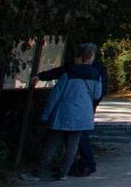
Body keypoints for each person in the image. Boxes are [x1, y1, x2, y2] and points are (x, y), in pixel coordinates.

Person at [22, 44, 104, 182]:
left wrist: (46, 115)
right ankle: (64, 173)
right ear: (91, 58)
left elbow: (55, 95)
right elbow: (97, 95)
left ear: (79, 57)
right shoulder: (97, 75)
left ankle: (37, 173)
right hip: (83, 115)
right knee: (72, 146)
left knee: (51, 145)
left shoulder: (68, 74)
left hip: (63, 113)